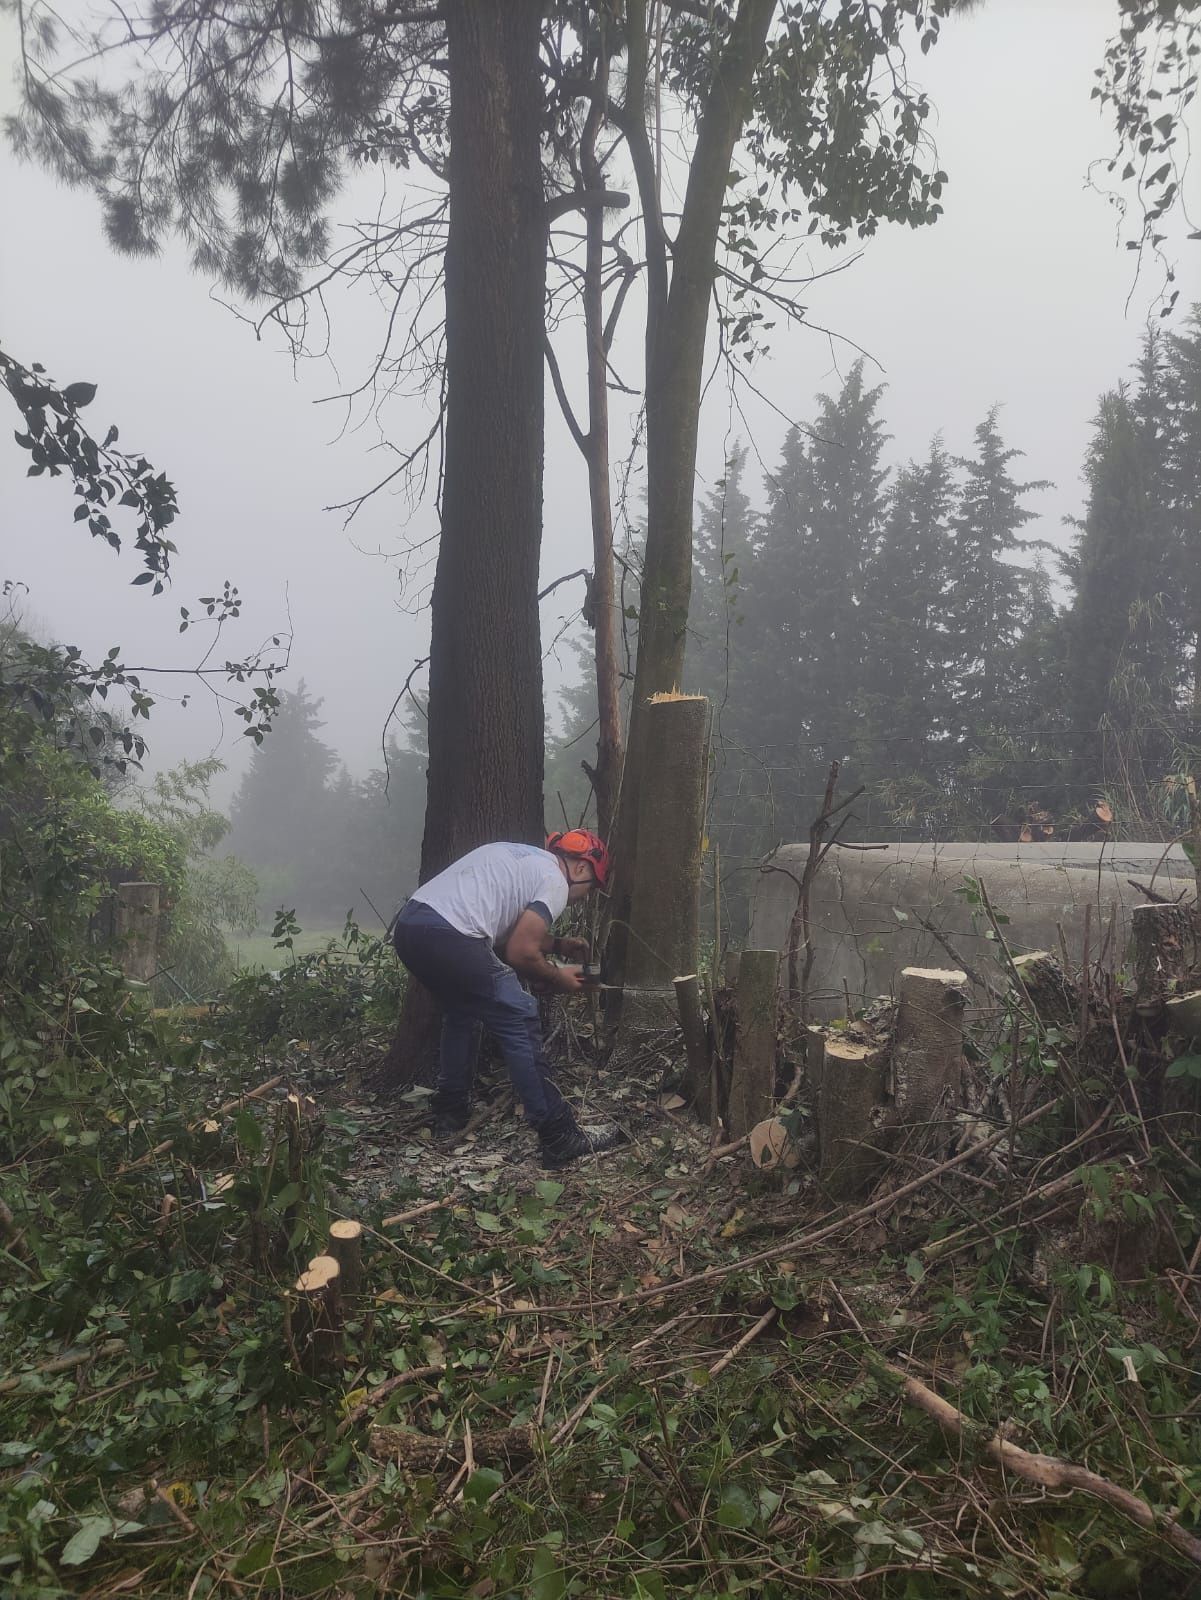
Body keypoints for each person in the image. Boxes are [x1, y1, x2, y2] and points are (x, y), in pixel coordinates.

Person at [391, 830, 621, 1169]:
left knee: (461, 1011)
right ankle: (558, 1135)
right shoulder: (556, 880)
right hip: (449, 934)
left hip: (412, 927)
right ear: (583, 870)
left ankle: (450, 1112)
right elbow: (519, 951)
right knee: (520, 1012)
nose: (585, 898)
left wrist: (556, 946)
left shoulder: (524, 859)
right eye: (592, 888)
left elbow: (502, 927)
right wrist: (560, 978)